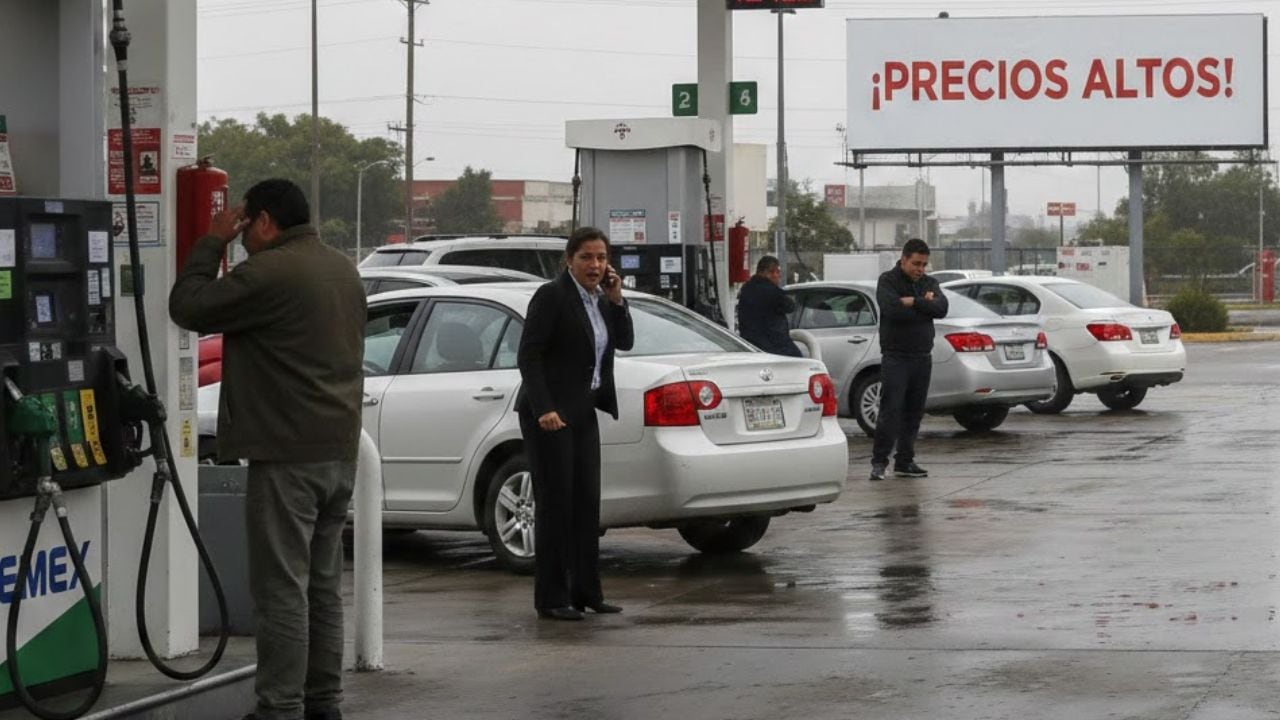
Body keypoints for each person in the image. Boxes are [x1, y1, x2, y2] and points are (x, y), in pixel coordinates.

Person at [169, 179, 366, 720]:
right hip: (338, 451)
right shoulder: (340, 268)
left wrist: (211, 242)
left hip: (287, 456)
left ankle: (278, 708)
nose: (242, 233)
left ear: (261, 222)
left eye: (244, 224)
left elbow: (187, 307)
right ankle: (324, 703)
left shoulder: (270, 270)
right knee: (322, 588)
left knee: (281, 591)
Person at [517, 226, 634, 621]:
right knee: (557, 504)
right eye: (586, 257)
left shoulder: (601, 301)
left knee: (586, 503)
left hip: (583, 411)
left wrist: (618, 300)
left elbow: (626, 341)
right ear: (569, 260)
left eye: (601, 258)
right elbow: (529, 356)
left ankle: (587, 591)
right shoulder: (551, 297)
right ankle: (551, 597)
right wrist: (543, 407)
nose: (595, 265)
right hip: (551, 416)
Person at [871, 237, 948, 482]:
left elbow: (942, 308)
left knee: (914, 413)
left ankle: (905, 461)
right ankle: (879, 462)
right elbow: (892, 310)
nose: (920, 269)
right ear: (903, 259)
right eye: (916, 263)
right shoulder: (888, 281)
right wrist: (925, 306)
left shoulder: (929, 282)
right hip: (896, 356)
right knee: (891, 410)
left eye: (924, 264)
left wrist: (915, 302)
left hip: (922, 356)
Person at [736, 255, 801, 357]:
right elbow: (790, 306)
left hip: (750, 345)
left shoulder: (747, 289)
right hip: (775, 345)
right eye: (777, 272)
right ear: (769, 272)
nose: (779, 276)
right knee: (799, 363)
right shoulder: (771, 291)